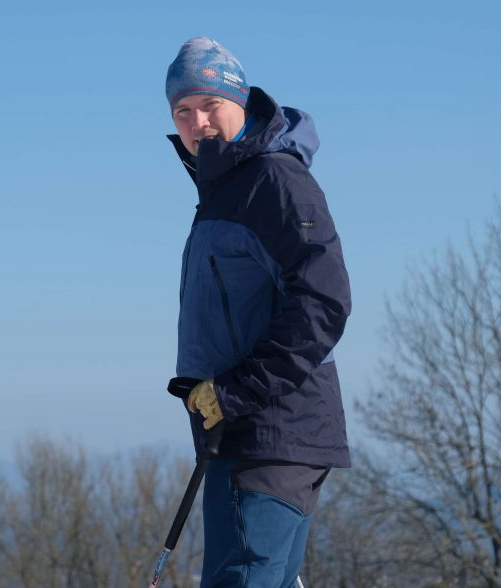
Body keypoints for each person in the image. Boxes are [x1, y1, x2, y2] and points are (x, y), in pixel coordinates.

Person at [165, 37, 352, 587]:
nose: (198, 122)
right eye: (182, 110)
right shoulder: (226, 189)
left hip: (267, 434)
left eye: (210, 104)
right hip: (249, 436)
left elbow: (324, 299)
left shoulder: (273, 179)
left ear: (240, 101)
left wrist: (233, 391)